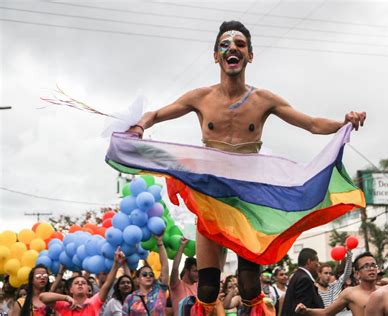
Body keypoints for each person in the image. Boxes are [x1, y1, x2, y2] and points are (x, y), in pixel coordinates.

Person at [126, 20, 366, 315]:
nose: (233, 49)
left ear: (249, 55)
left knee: (251, 284)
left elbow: (313, 124)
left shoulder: (263, 99)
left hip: (247, 200)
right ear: (216, 56)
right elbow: (157, 114)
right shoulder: (200, 97)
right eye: (225, 45)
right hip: (211, 195)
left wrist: (343, 123)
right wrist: (140, 125)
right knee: (208, 288)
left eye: (240, 45)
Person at [39, 247, 124, 315]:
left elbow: (107, 284)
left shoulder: (94, 302)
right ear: (71, 289)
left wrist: (116, 263)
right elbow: (42, 297)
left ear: (88, 289)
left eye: (83, 283)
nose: (80, 284)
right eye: (76, 283)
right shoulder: (65, 304)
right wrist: (66, 298)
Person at [295, 251, 378, 316]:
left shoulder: (385, 291)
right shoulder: (350, 293)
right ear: (357, 274)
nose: (371, 269)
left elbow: (346, 273)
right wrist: (306, 311)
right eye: (366, 266)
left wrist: (349, 255)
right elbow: (326, 312)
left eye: (374, 265)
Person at [122, 236, 169, 315]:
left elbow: (164, 266)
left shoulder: (160, 290)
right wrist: (123, 262)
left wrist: (160, 243)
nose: (148, 276)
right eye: (144, 274)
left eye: (151, 274)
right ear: (138, 279)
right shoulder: (130, 298)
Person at [281, 248, 323, 315]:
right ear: (309, 261)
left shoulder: (297, 276)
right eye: (316, 261)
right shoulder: (305, 280)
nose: (318, 265)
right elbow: (301, 310)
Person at [170, 237, 198, 316]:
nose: (198, 274)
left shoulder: (198, 286)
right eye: (195, 271)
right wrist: (182, 247)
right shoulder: (177, 285)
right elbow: (175, 268)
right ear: (186, 270)